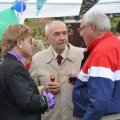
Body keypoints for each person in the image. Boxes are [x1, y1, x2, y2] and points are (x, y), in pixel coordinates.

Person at [30, 20, 85, 120]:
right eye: (57, 34)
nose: (62, 38)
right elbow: (30, 90)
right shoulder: (37, 59)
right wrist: (44, 89)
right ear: (47, 38)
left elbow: (94, 87)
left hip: (76, 117)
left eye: (64, 33)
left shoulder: (82, 55)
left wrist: (80, 80)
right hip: (49, 117)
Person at [72, 10, 120, 120]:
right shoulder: (115, 44)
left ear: (92, 27)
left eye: (81, 29)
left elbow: (100, 99)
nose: (80, 33)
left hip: (104, 116)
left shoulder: (101, 52)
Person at [0, 24, 54, 120]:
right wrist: (46, 99)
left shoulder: (6, 62)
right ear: (20, 42)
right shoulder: (15, 67)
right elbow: (27, 101)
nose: (32, 45)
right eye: (29, 41)